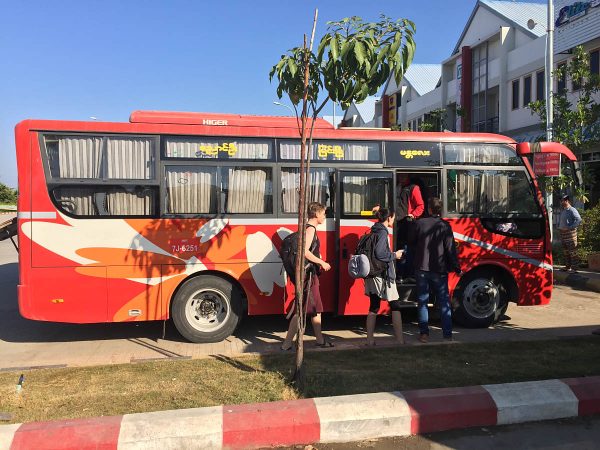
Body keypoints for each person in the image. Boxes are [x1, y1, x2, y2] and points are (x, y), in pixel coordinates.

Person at [408, 197, 461, 343]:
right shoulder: (445, 226)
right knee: (444, 301)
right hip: (439, 269)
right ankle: (448, 335)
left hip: (422, 267)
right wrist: (456, 267)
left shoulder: (420, 224)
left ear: (429, 209)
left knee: (423, 301)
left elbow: (410, 241)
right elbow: (450, 249)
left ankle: (424, 334)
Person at [281, 202, 333, 350]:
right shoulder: (310, 230)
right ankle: (287, 344)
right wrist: (322, 262)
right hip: (308, 276)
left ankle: (320, 340)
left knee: (315, 308)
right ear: (316, 214)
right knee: (301, 310)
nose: (324, 216)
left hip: (308, 275)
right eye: (323, 213)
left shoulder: (307, 229)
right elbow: (304, 252)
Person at [365, 207, 405, 346]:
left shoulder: (373, 229)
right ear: (389, 218)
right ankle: (400, 340)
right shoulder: (383, 232)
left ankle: (370, 340)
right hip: (383, 274)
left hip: (371, 274)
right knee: (395, 305)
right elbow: (380, 253)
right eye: (393, 218)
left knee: (374, 307)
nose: (393, 220)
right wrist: (395, 255)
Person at [396, 175, 424, 282]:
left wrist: (413, 215)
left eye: (403, 176)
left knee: (407, 250)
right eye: (400, 176)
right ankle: (399, 276)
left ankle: (407, 275)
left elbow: (420, 206)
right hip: (396, 224)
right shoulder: (396, 186)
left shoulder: (413, 188)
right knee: (398, 249)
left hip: (407, 223)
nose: (401, 178)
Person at [558, 195, 582, 273]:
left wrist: (569, 227)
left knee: (572, 252)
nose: (561, 202)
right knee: (566, 251)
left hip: (570, 234)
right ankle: (568, 266)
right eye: (561, 200)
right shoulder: (564, 210)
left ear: (567, 201)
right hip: (563, 234)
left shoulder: (572, 210)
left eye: (563, 201)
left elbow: (578, 220)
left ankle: (575, 268)